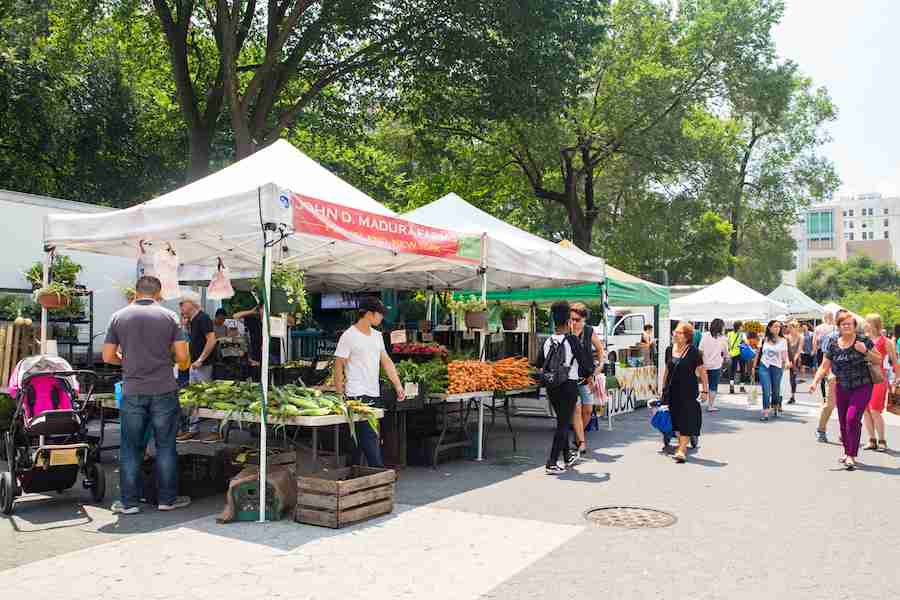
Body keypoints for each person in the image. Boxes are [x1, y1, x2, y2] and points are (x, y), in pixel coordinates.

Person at [102, 276, 191, 514]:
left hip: (132, 390)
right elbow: (183, 358)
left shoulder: (118, 316)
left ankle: (129, 502)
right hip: (164, 388)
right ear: (159, 294)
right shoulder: (169, 316)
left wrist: (127, 362)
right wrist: (172, 363)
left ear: (136, 292)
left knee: (130, 447)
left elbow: (107, 356)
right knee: (165, 446)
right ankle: (166, 500)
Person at [334, 297, 404, 467]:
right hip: (355, 395)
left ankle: (353, 476)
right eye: (380, 314)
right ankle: (379, 474)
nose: (381, 318)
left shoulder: (377, 336)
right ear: (368, 314)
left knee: (359, 440)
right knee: (370, 437)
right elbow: (338, 365)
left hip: (373, 392)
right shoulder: (349, 335)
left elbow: (386, 361)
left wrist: (398, 385)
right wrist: (339, 393)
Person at [809, 311, 882, 470]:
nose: (847, 326)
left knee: (851, 418)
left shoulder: (863, 341)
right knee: (843, 420)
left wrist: (865, 351)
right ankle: (847, 451)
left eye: (850, 324)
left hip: (862, 385)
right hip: (842, 386)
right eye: (843, 324)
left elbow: (878, 359)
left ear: (855, 326)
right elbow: (824, 366)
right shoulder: (834, 344)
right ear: (839, 327)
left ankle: (851, 455)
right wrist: (815, 382)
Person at [538, 301, 586, 474]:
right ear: (568, 321)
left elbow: (539, 363)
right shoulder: (572, 340)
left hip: (552, 386)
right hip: (569, 385)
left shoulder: (547, 341)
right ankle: (551, 461)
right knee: (564, 423)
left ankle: (566, 457)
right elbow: (586, 365)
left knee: (562, 420)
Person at [663, 322, 709, 463]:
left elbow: (702, 372)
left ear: (687, 336)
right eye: (674, 332)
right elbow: (667, 370)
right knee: (675, 418)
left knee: (686, 418)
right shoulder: (669, 350)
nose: (675, 334)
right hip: (672, 390)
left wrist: (705, 390)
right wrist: (663, 388)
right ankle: (681, 442)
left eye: (678, 332)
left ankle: (682, 449)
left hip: (688, 390)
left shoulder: (694, 352)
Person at [177, 292, 219, 442]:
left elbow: (212, 340)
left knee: (208, 396)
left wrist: (201, 359)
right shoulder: (193, 320)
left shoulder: (203, 318)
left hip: (203, 364)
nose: (180, 306)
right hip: (194, 364)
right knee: (194, 397)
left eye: (183, 303)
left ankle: (216, 430)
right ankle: (193, 428)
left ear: (191, 303)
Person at [569, 302, 604, 458]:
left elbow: (600, 349)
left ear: (584, 319)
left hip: (587, 376)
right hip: (570, 377)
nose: (574, 322)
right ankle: (581, 442)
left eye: (577, 319)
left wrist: (600, 365)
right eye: (572, 319)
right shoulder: (567, 332)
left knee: (588, 410)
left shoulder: (589, 331)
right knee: (576, 409)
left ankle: (578, 436)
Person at [862, 314, 899, 451]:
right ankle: (871, 440)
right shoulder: (863, 339)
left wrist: (897, 378)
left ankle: (882, 440)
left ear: (874, 324)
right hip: (863, 377)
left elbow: (895, 361)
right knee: (865, 410)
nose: (864, 324)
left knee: (875, 410)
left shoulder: (886, 341)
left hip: (878, 377)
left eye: (867, 322)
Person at [753, 320, 789, 421]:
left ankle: (775, 405)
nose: (777, 328)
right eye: (775, 326)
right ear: (769, 328)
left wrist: (787, 362)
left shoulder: (783, 340)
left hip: (777, 367)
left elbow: (785, 355)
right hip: (764, 366)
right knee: (766, 390)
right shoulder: (764, 339)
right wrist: (753, 367)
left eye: (779, 327)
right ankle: (765, 412)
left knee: (776, 390)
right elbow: (758, 353)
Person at [698, 318, 728, 412]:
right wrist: (726, 357)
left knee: (703, 383)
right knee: (713, 386)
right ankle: (711, 406)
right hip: (716, 365)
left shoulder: (705, 335)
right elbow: (726, 352)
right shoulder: (723, 338)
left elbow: (700, 350)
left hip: (704, 364)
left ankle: (701, 398)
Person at [812, 310, 837, 398]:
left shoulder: (818, 328)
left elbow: (814, 342)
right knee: (832, 372)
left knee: (822, 371)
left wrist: (814, 351)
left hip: (820, 351)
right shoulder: (835, 327)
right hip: (833, 352)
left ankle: (824, 397)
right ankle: (832, 394)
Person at [786, 320, 804, 404]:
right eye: (789, 328)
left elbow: (799, 350)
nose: (789, 329)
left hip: (795, 360)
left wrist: (794, 361)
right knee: (785, 377)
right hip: (786, 359)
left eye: (791, 327)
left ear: (795, 328)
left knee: (793, 378)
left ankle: (792, 396)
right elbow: (785, 350)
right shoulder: (787, 337)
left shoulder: (801, 337)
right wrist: (787, 360)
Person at [727, 321, 747, 394]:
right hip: (741, 353)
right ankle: (742, 387)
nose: (743, 327)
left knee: (733, 370)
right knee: (742, 370)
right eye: (742, 326)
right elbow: (746, 343)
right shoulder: (742, 334)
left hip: (733, 354)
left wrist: (729, 352)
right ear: (739, 327)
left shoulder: (729, 334)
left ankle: (731, 386)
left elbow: (728, 344)